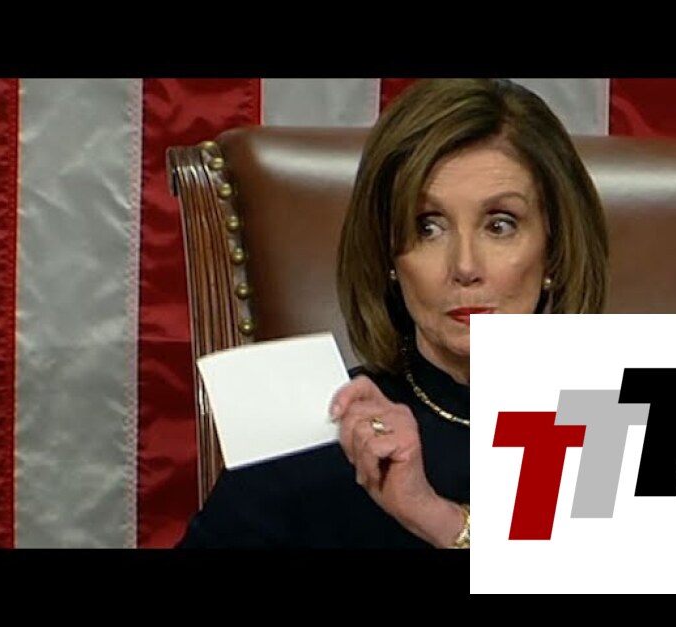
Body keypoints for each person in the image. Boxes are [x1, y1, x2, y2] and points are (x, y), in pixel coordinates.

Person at [176, 78, 609, 548]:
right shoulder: (312, 439)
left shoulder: (624, 415)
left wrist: (436, 517)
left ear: (554, 249)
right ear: (388, 256)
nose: (465, 267)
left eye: (500, 225)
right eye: (429, 227)